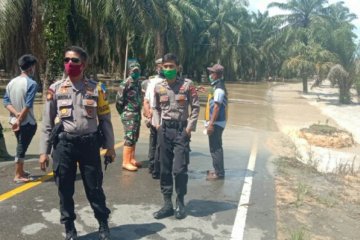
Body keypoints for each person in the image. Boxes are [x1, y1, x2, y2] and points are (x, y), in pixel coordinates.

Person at [39, 46, 115, 240]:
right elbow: (47, 122)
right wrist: (43, 151)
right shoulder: (55, 89)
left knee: (94, 187)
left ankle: (103, 223)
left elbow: (105, 119)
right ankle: (70, 228)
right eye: (66, 60)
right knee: (65, 189)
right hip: (65, 146)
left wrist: (110, 146)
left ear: (84, 64)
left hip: (90, 145)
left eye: (74, 60)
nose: (69, 64)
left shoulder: (97, 89)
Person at [152, 53, 200, 219]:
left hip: (181, 131)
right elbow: (155, 108)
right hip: (164, 131)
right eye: (165, 66)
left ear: (178, 68)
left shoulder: (187, 85)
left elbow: (195, 107)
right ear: (161, 68)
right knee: (164, 169)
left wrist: (188, 129)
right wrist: (158, 125)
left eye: (171, 66)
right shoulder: (158, 87)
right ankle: (167, 204)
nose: (168, 69)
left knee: (179, 169)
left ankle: (180, 201)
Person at [3, 54, 38, 183]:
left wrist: (16, 115)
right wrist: (20, 118)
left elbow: (6, 102)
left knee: (20, 145)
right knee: (21, 147)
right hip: (26, 121)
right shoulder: (32, 84)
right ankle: (18, 174)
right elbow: (28, 104)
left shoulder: (11, 82)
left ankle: (21, 171)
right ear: (31, 68)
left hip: (14, 121)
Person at [116, 62, 143, 171]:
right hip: (129, 114)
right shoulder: (125, 83)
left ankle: (131, 159)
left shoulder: (138, 83)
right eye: (133, 71)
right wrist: (124, 113)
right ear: (129, 71)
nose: (135, 72)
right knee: (129, 137)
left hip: (137, 114)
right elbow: (118, 101)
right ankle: (125, 162)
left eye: (137, 70)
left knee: (134, 137)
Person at [205, 63, 228, 180]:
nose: (210, 75)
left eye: (211, 73)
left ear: (217, 75)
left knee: (215, 148)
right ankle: (217, 169)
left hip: (217, 123)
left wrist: (211, 124)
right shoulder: (217, 86)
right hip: (218, 122)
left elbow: (217, 107)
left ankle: (219, 173)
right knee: (215, 146)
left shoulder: (219, 89)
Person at [143, 58, 163, 179]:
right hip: (156, 115)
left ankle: (154, 167)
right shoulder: (153, 82)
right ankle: (155, 167)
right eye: (160, 66)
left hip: (163, 116)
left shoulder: (171, 81)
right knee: (157, 142)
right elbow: (146, 101)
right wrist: (148, 114)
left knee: (155, 142)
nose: (161, 68)